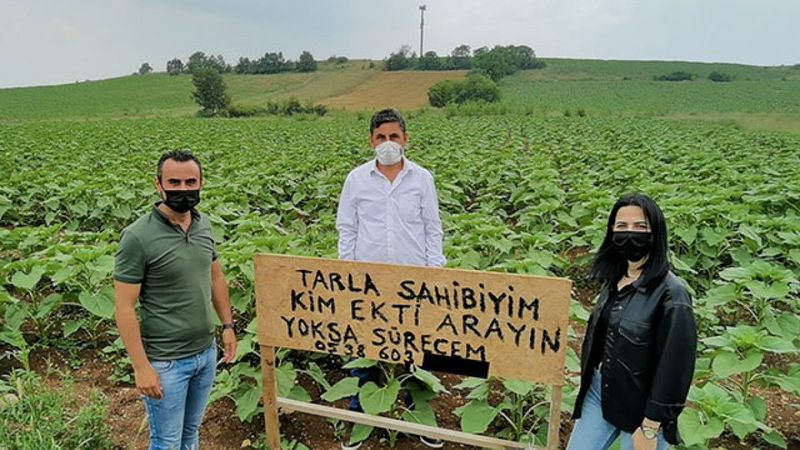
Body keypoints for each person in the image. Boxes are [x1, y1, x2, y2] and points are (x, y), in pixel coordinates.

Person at [335, 108, 446, 449]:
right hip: (368, 281)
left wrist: (434, 273)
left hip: (413, 279)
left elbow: (432, 228)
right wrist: (348, 273)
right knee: (364, 347)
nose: (387, 143)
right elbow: (347, 228)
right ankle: (359, 416)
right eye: (381, 137)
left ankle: (419, 416)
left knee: (418, 349)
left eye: (393, 137)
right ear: (371, 141)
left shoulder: (422, 179)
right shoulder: (356, 179)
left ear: (405, 140)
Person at [114, 150, 237, 450]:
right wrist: (141, 366)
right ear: (159, 185)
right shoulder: (137, 237)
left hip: (205, 354)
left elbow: (215, 277)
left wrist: (228, 325)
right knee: (167, 441)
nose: (183, 189)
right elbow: (124, 307)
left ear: (201, 182)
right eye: (174, 182)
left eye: (190, 182)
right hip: (166, 362)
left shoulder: (203, 224)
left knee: (191, 432)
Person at [566, 193, 697, 450]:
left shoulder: (672, 294)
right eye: (621, 226)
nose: (630, 234)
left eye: (640, 227)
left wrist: (650, 426)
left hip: (643, 406)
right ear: (611, 231)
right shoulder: (615, 279)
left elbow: (676, 366)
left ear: (656, 232)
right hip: (599, 389)